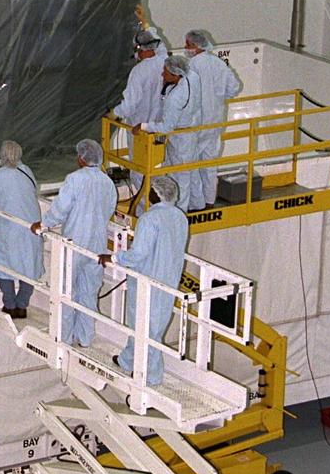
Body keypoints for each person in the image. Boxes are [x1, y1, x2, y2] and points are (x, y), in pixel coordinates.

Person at [98, 174, 188, 387]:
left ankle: (152, 376)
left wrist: (113, 258)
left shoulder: (150, 219)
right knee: (150, 325)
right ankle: (127, 360)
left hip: (147, 279)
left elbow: (138, 254)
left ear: (155, 194)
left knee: (146, 328)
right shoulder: (180, 217)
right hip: (169, 279)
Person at [30, 139, 117, 346]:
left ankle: (64, 339)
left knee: (66, 292)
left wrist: (42, 224)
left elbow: (61, 209)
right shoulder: (107, 183)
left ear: (81, 158)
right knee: (88, 294)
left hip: (74, 244)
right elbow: (109, 210)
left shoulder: (74, 179)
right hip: (97, 246)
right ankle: (85, 338)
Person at [0, 140, 43, 318]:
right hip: (32, 228)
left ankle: (9, 304)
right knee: (28, 268)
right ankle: (22, 306)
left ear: (2, 155)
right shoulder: (27, 171)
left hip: (9, 230)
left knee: (3, 266)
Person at [184, 29, 243, 208]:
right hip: (215, 122)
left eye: (187, 44)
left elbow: (184, 94)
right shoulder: (219, 64)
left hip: (196, 123)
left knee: (191, 165)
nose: (186, 48)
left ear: (195, 45)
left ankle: (196, 204)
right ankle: (209, 201)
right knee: (209, 164)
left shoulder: (192, 66)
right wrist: (217, 97)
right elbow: (234, 88)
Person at [140, 53, 203, 213]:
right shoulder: (192, 76)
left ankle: (181, 211)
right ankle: (199, 204)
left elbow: (167, 126)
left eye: (165, 72)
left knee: (182, 176)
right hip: (192, 130)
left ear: (176, 75)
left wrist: (144, 126)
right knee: (191, 170)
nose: (162, 74)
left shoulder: (175, 98)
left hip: (181, 137)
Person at [111, 28, 168, 202]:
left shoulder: (139, 72)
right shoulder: (164, 61)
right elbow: (159, 42)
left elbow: (130, 104)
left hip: (139, 129)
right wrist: (145, 23)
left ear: (142, 49)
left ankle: (144, 205)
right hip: (159, 127)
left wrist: (114, 114)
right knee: (158, 164)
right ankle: (157, 199)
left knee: (138, 168)